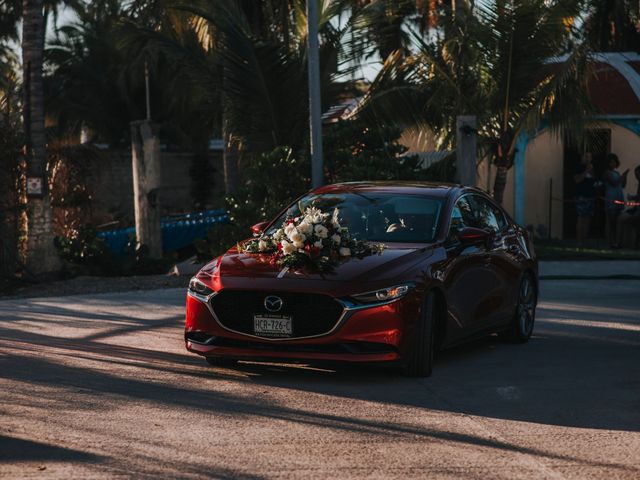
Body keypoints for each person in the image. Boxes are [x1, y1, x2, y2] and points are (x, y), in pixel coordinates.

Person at [603, 154, 628, 248]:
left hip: (619, 197)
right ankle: (610, 242)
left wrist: (625, 177)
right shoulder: (607, 173)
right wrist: (623, 176)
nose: (613, 163)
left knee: (617, 221)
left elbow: (623, 185)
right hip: (611, 198)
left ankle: (617, 242)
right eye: (611, 161)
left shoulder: (617, 173)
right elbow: (614, 182)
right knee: (611, 221)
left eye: (614, 161)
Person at [573, 152, 596, 246]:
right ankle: (579, 241)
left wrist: (591, 171)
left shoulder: (592, 168)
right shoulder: (579, 167)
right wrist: (586, 170)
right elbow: (577, 180)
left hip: (590, 196)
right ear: (582, 157)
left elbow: (594, 180)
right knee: (581, 218)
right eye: (586, 156)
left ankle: (585, 240)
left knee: (588, 218)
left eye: (589, 157)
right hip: (581, 196)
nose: (588, 158)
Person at [617, 165, 640, 248]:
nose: (636, 177)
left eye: (637, 175)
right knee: (621, 218)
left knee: (634, 220)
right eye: (635, 175)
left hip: (637, 209)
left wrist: (632, 197)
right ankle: (620, 242)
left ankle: (635, 243)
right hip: (636, 208)